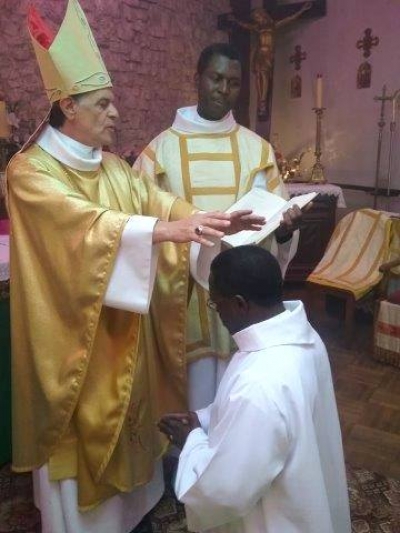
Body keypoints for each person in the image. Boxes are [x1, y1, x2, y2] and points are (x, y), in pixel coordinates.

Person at [7, 3, 264, 532]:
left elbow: (160, 203)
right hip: (72, 341)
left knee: (131, 420)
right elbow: (78, 224)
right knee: (81, 432)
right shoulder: (29, 171)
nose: (116, 114)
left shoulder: (115, 168)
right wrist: (161, 232)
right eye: (103, 104)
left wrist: (209, 221)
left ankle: (133, 511)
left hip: (122, 331)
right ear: (68, 106)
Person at [134, 42, 302, 411]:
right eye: (216, 78)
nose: (224, 89)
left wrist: (285, 231)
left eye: (234, 83)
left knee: (238, 400)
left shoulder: (258, 151)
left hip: (242, 299)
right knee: (191, 403)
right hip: (182, 295)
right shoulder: (159, 153)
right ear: (197, 79)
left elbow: (275, 220)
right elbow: (142, 223)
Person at [159, 245, 351, 533]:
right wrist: (205, 419)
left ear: (240, 304)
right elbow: (270, 416)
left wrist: (191, 440)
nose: (218, 313)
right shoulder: (302, 335)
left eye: (216, 304)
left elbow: (225, 490)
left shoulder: (260, 382)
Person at [230, 4, 311, 117]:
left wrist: (301, 10)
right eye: (255, 18)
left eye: (258, 17)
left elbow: (289, 18)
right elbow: (246, 25)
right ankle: (260, 99)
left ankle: (263, 99)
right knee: (258, 75)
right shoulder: (258, 27)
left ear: (262, 15)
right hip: (259, 53)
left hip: (267, 54)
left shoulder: (273, 25)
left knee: (264, 74)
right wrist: (235, 20)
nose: (257, 19)